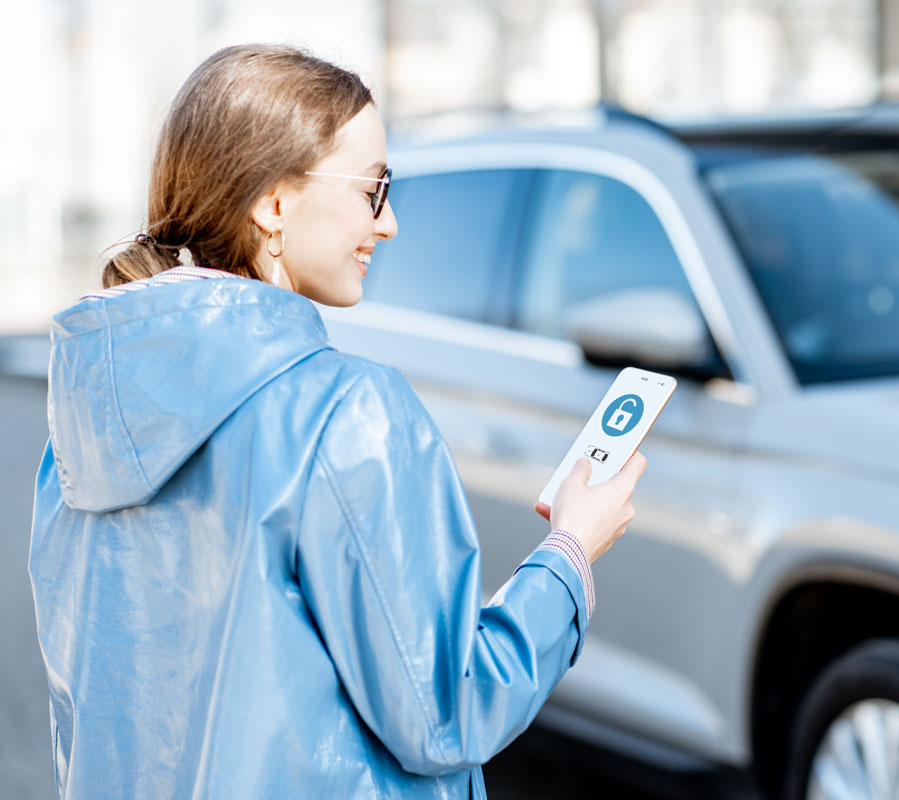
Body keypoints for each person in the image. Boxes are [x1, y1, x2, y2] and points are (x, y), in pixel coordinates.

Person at [28, 44, 646, 800]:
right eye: (374, 187)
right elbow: (446, 708)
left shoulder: (82, 425)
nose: (388, 224)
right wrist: (572, 551)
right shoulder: (346, 413)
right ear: (274, 203)